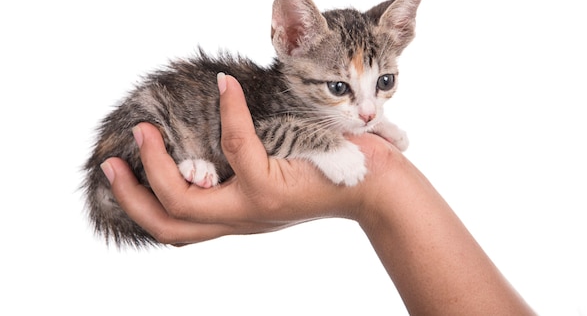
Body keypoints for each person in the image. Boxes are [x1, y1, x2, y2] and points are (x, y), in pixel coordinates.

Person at [100, 73, 536, 315]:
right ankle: (178, 164)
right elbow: (268, 133)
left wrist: (371, 155)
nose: (369, 109)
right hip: (171, 129)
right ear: (290, 43)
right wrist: (330, 146)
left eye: (382, 83)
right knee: (150, 112)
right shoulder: (281, 96)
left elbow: (352, 125)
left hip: (200, 157)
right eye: (341, 87)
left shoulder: (338, 104)